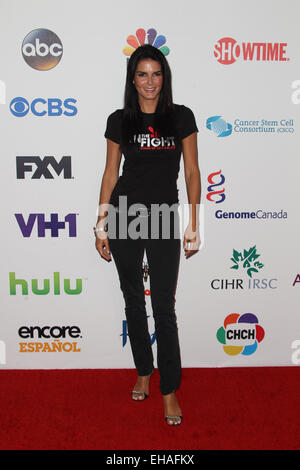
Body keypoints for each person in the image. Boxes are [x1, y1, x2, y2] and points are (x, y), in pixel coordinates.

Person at [94, 44, 201, 426]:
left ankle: (168, 388)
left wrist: (193, 220)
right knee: (132, 301)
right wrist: (101, 222)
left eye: (156, 74)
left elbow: (191, 171)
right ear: (132, 79)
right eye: (142, 74)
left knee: (164, 309)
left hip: (161, 216)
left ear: (164, 78)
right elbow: (110, 173)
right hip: (124, 214)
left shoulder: (181, 117)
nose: (150, 82)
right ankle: (143, 369)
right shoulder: (119, 120)